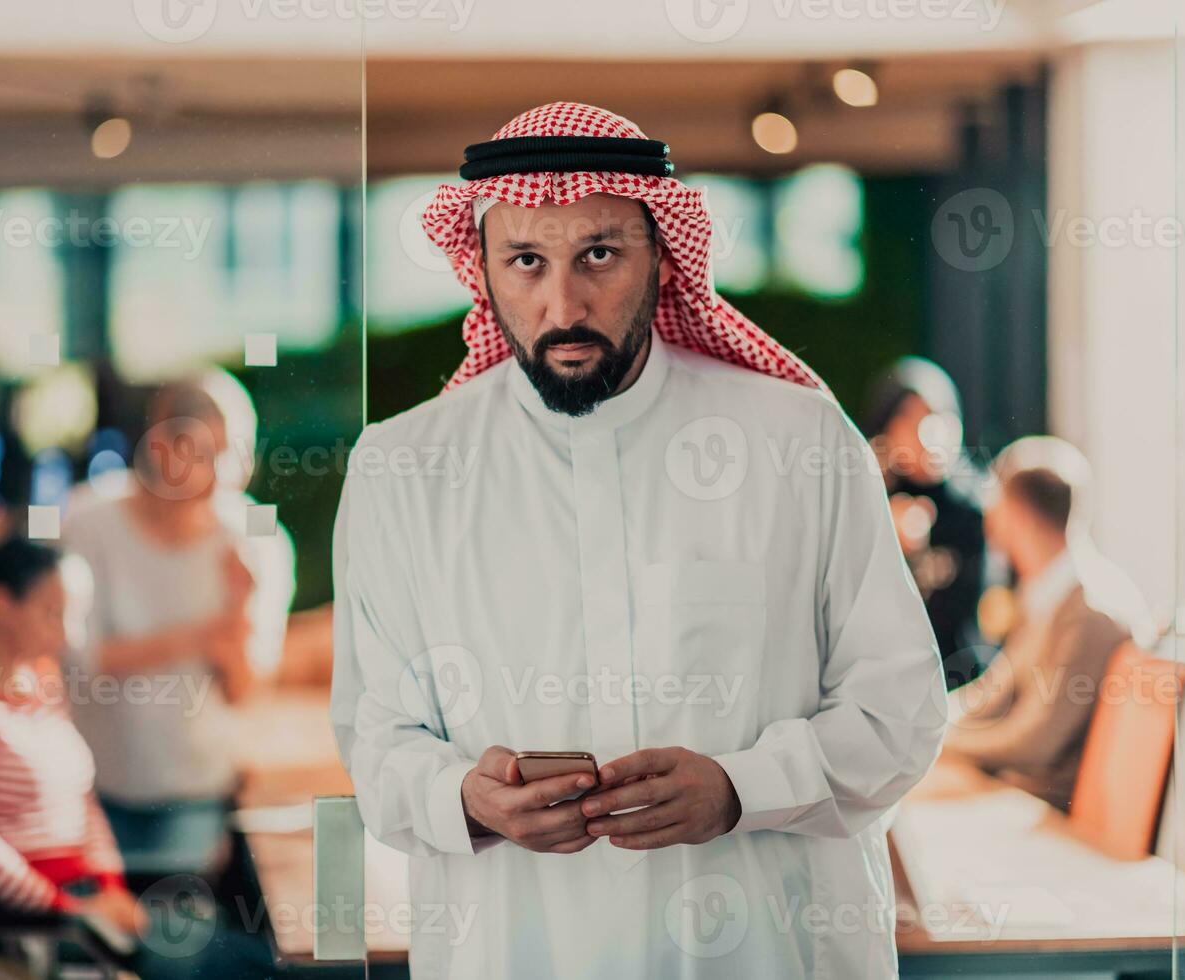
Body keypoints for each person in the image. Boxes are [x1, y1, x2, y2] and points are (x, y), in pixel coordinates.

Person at [330, 102, 947, 979]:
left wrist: (743, 789)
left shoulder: (798, 441)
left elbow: (902, 710)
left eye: (600, 255)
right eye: (526, 261)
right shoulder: (402, 469)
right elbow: (375, 739)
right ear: (485, 270)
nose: (564, 302)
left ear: (662, 254)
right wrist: (460, 796)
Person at [61, 371, 296, 876]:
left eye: (236, 452)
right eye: (202, 453)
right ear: (159, 447)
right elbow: (83, 662)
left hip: (195, 792)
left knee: (172, 941)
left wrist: (239, 610)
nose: (224, 474)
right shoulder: (87, 520)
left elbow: (245, 691)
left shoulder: (258, 542)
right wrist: (199, 636)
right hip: (91, 788)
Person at [0, 538, 144, 938]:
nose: (69, 636)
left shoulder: (44, 696)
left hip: (85, 897)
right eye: (54, 615)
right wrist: (67, 909)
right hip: (36, 915)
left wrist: (112, 890)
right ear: (3, 604)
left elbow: (84, 804)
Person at [944, 436, 1155, 812]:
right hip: (1026, 793)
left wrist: (937, 742)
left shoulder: (1090, 610)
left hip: (1051, 805)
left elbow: (1036, 742)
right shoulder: (1049, 592)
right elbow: (991, 694)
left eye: (996, 502)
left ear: (1017, 514)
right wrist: (929, 724)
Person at [864, 357, 989, 688]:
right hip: (880, 677)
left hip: (953, 680)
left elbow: (965, 614)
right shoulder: (869, 497)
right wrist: (884, 536)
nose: (926, 436)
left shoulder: (970, 509)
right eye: (910, 421)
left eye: (935, 420)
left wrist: (918, 553)